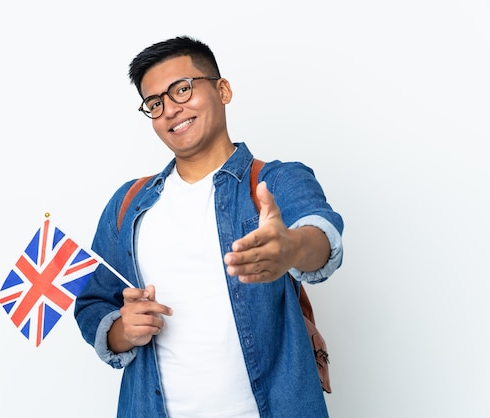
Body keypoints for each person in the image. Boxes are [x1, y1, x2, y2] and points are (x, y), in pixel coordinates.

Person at [74, 35, 344, 418]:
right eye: (155, 102)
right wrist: (121, 331)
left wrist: (292, 248)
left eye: (182, 89)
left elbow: (321, 234)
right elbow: (92, 301)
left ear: (223, 90)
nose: (170, 109)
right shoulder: (128, 204)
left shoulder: (276, 181)